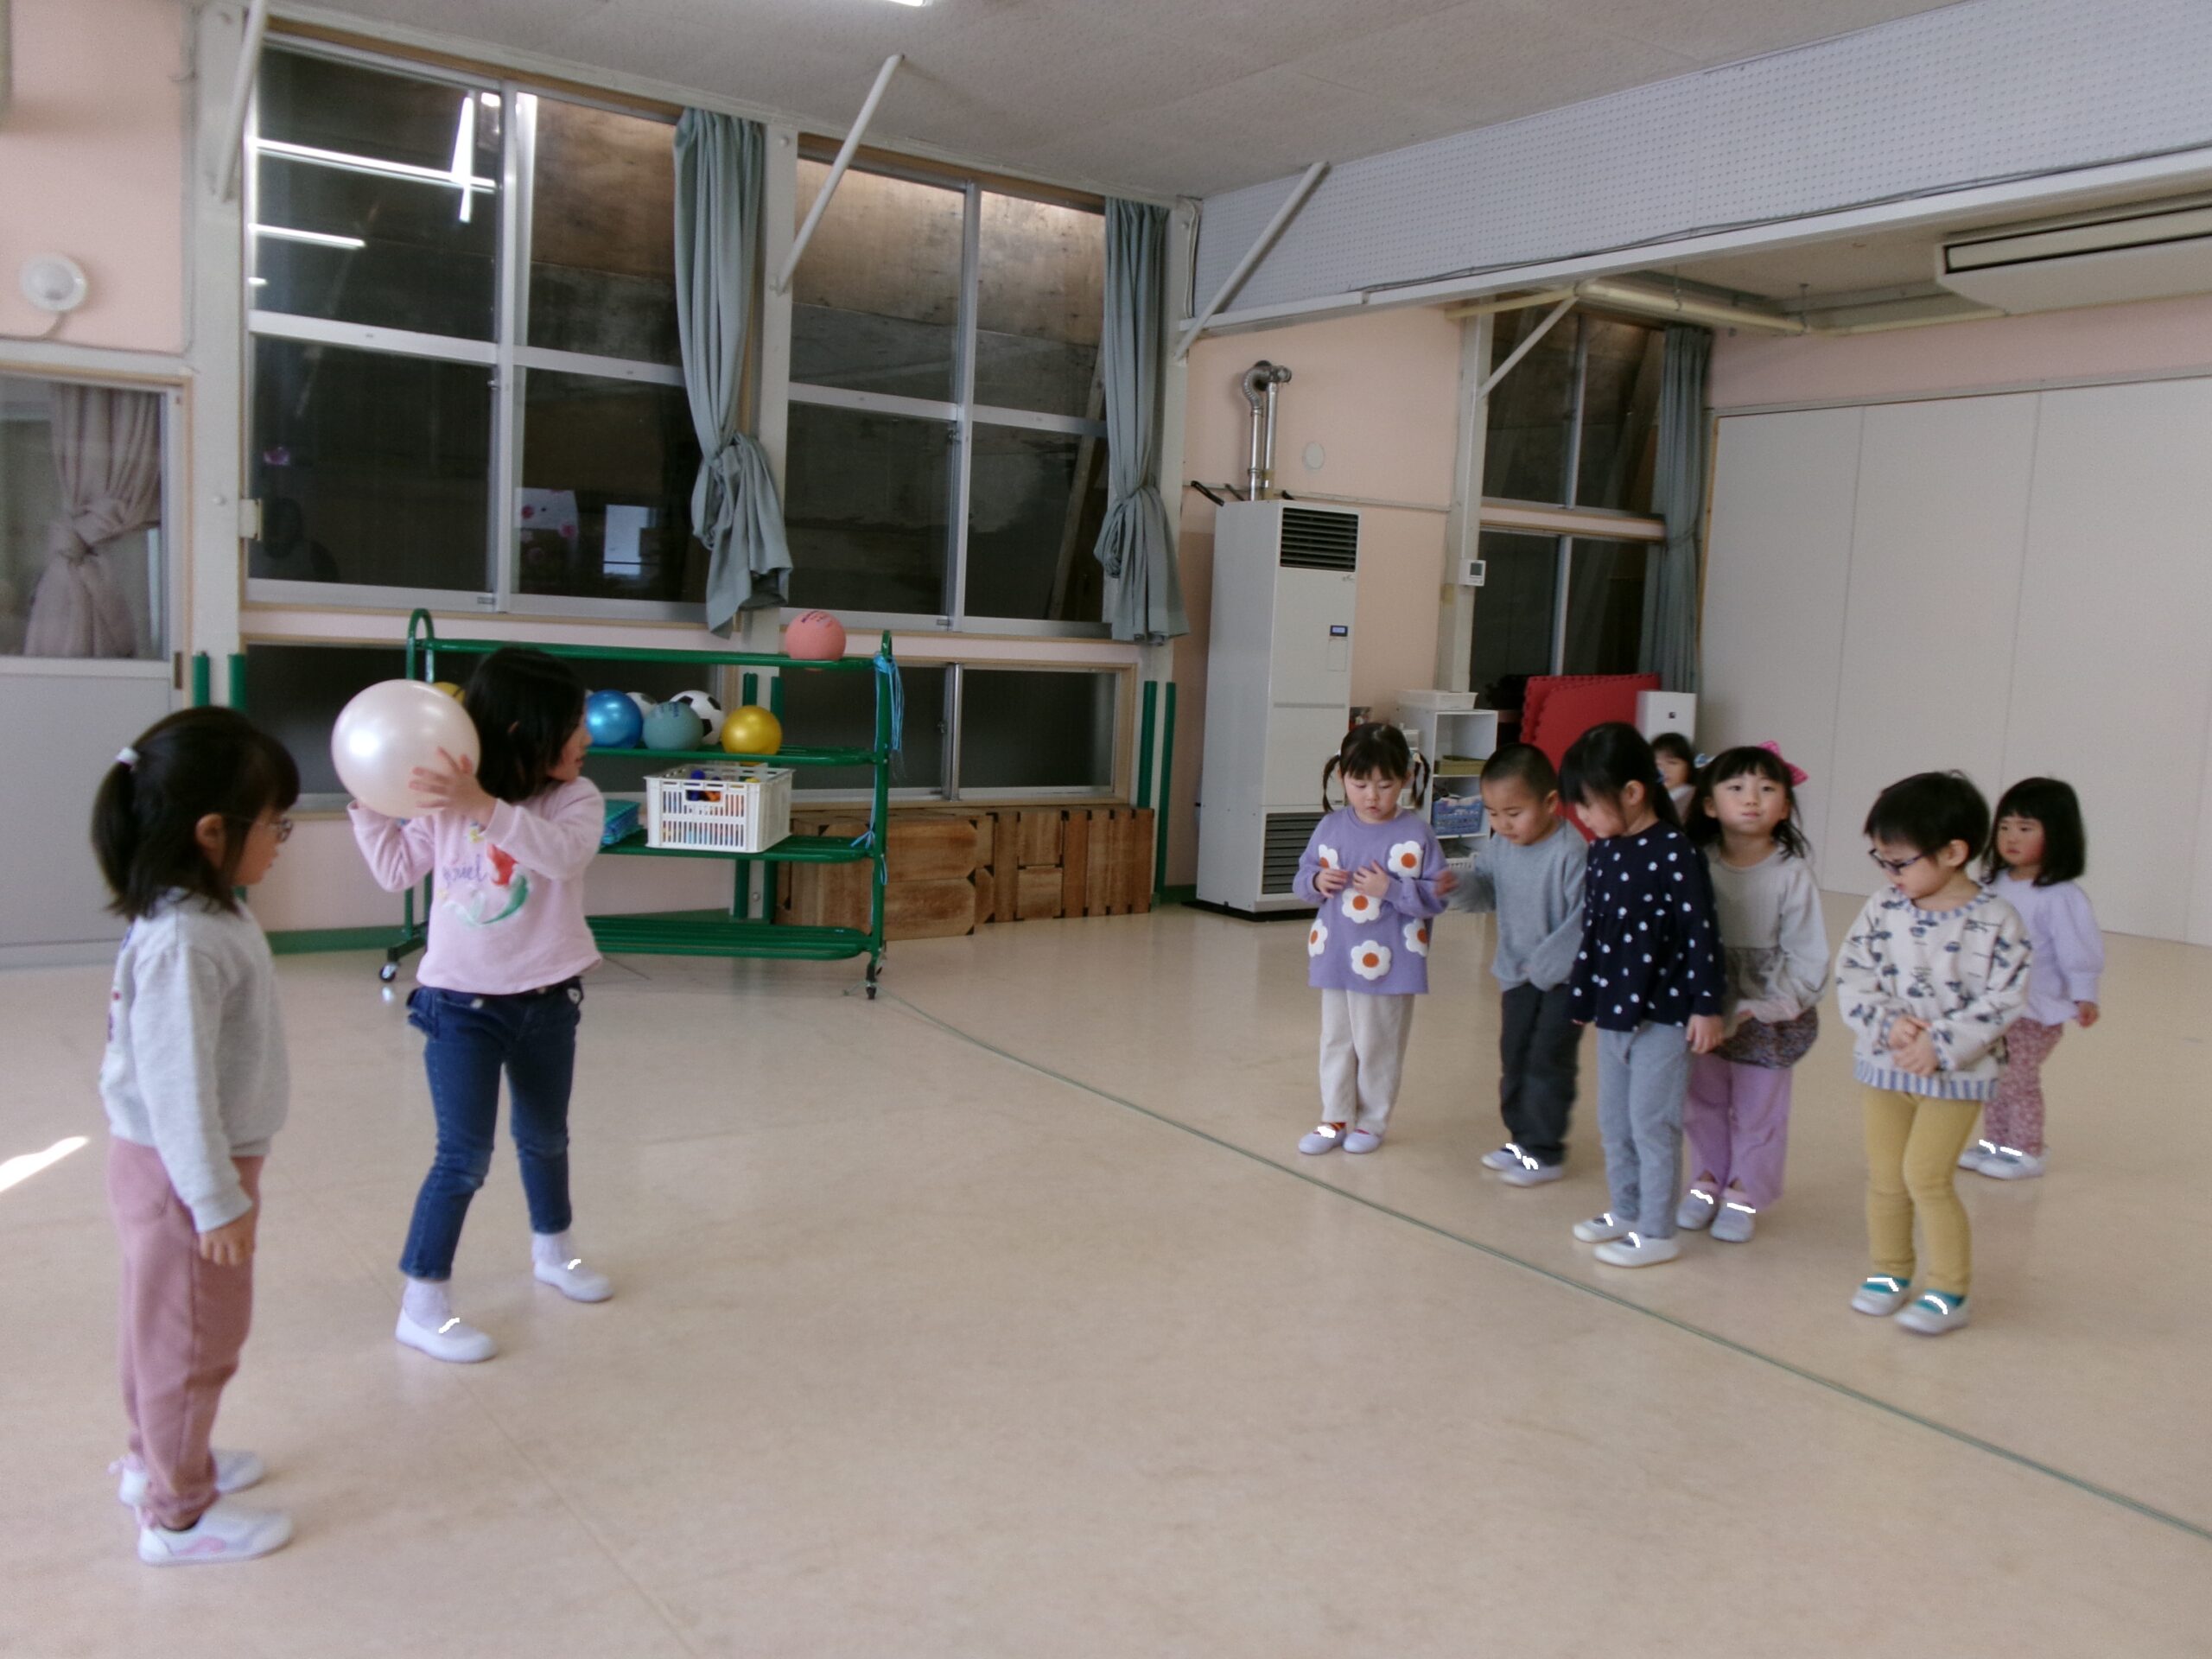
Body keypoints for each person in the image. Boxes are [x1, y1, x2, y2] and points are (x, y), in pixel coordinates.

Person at [351, 648, 613, 1363]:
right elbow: (395, 871)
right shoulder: (446, 804)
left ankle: (554, 1252)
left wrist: (485, 809)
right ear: (526, 730)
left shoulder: (575, 799)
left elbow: (562, 857)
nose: (587, 736)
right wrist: (369, 803)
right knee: (463, 1157)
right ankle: (422, 1304)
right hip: (460, 1009)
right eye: (574, 722)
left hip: (548, 1001)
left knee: (546, 1137)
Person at [91, 708, 301, 1566]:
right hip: (186, 1171)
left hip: (165, 1164)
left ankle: (156, 1463)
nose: (281, 841)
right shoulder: (186, 940)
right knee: (194, 1344)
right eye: (276, 824)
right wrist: (216, 1202)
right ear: (213, 833)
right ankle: (176, 1517)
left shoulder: (199, 915)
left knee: (160, 1328)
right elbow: (177, 1090)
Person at [1837, 772, 2030, 1337]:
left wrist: (1940, 1045)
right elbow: (1853, 974)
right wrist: (1888, 1023)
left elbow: (2004, 999)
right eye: (1881, 861)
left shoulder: (1997, 921)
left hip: (1956, 1078)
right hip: (1885, 1067)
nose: (1889, 875)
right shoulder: (1883, 908)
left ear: (1953, 853)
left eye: (1900, 863)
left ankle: (1949, 1290)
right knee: (1885, 1178)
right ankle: (1890, 1271)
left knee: (1926, 1178)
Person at [1560, 723, 1726, 1267]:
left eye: (1589, 805)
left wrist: (1706, 1006)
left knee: (1652, 1124)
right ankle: (1627, 1210)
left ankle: (1657, 1231)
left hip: (1666, 1014)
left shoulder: (1676, 853)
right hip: (1615, 1010)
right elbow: (1594, 930)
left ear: (1633, 792)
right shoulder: (1603, 852)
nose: (1583, 817)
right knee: (1614, 1122)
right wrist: (1582, 995)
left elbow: (1701, 933)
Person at [1676, 745, 1828, 1243]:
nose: (1751, 799)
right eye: (1736, 788)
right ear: (1709, 804)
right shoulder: (1697, 864)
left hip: (1767, 1015)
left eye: (1766, 789)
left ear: (1784, 807)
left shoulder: (1791, 873)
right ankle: (1706, 1180)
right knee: (1703, 1099)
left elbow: (1808, 958)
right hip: (1707, 1006)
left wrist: (1764, 1007)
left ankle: (1744, 1190)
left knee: (1760, 1108)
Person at [1292, 722, 1451, 1156]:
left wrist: (1392, 890)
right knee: (1336, 1041)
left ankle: (1372, 1121)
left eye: (1385, 785)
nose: (1372, 797)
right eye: (1360, 785)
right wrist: (1317, 881)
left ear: (1406, 779)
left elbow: (1438, 896)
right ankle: (1334, 1118)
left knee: (1378, 1043)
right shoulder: (1330, 827)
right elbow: (1303, 879)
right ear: (1341, 777)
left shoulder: (1416, 833)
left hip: (1391, 962)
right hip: (1337, 954)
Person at [1445, 743, 1588, 1185]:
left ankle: (1545, 1152)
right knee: (1516, 1056)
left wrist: (1544, 970)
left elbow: (1584, 924)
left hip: (1564, 982)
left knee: (1548, 1060)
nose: (1502, 824)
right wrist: (1456, 885)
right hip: (1517, 976)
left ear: (1550, 802)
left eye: (1513, 813)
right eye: (1492, 813)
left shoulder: (1570, 851)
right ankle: (1521, 1139)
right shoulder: (1503, 847)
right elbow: (1485, 891)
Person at [1967, 777, 2101, 1180]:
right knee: (1992, 1077)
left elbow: (2079, 951)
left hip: (2034, 1009)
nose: (2011, 837)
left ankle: (2027, 1150)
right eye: (2005, 826)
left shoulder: (2060, 896)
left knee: (2017, 1081)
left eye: (2026, 828)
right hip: (1993, 1005)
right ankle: (1997, 1146)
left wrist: (2084, 995)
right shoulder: (1991, 885)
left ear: (2056, 834)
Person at [1651, 732, 1699, 820]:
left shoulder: (1696, 800)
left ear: (1689, 767)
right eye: (1657, 764)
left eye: (1672, 763)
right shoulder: (1650, 799)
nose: (1663, 770)